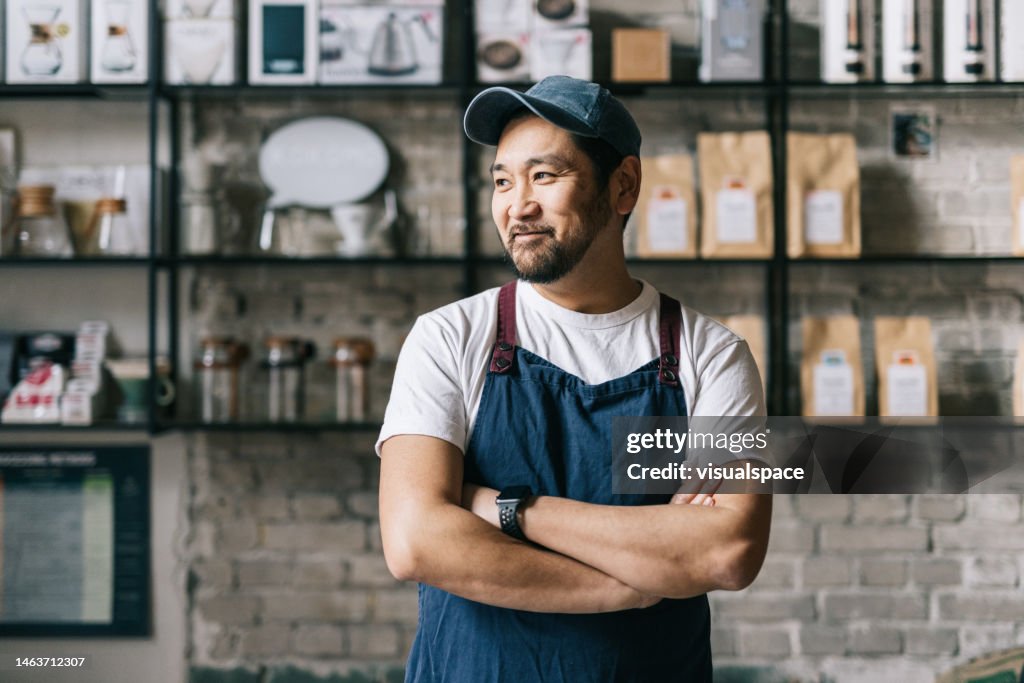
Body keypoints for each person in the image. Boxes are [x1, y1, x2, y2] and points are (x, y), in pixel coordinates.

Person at [377, 75, 771, 682]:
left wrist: (505, 509)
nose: (518, 204)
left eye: (545, 175)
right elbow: (414, 541)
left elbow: (727, 551)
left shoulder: (713, 356)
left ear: (623, 186)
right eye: (503, 180)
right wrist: (624, 586)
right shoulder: (448, 338)